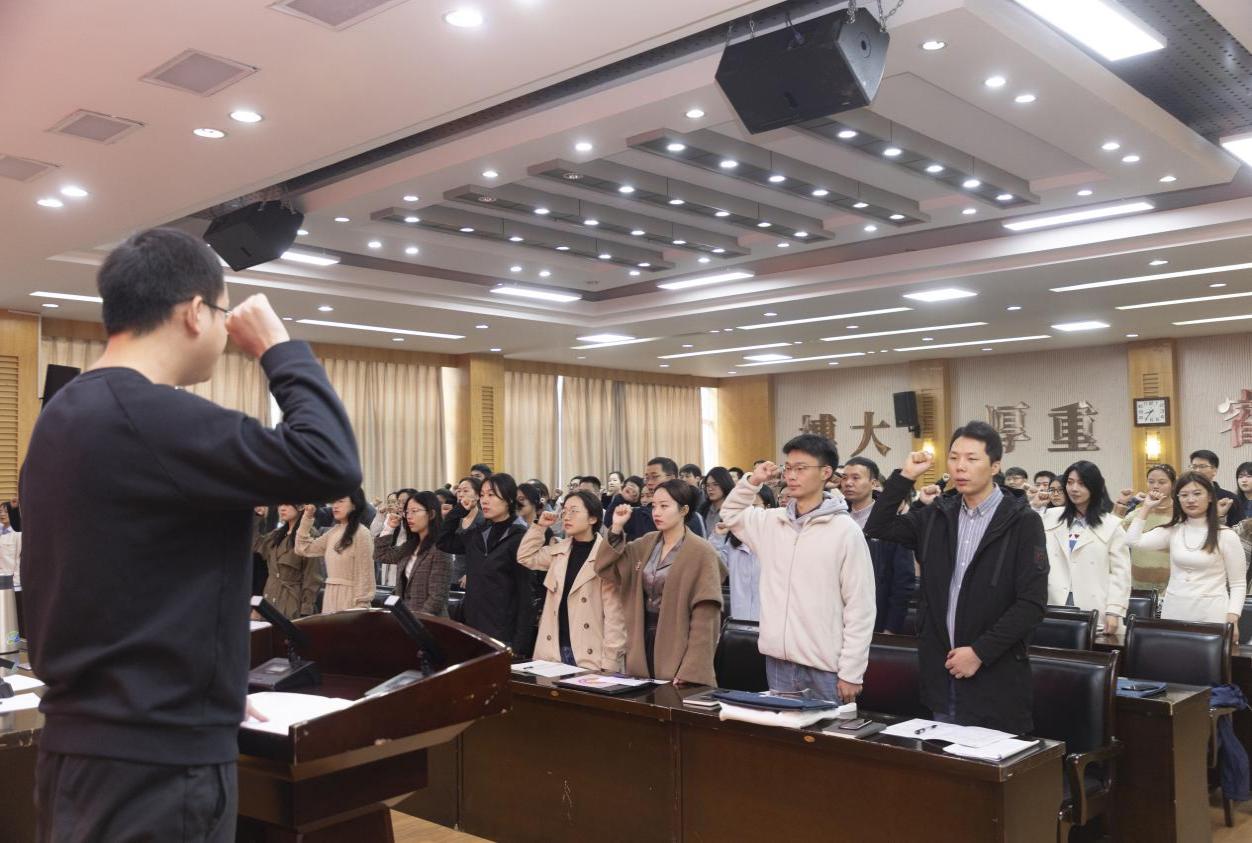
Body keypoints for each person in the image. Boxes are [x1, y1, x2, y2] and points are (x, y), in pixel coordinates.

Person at [19, 227, 360, 842]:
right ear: (196, 312)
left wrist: (209, 685)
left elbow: (121, 583)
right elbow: (330, 460)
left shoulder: (61, 417)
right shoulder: (159, 418)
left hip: (83, 745)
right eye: (222, 314)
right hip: (156, 763)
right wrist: (278, 348)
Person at [864, 421, 1047, 733]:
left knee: (990, 759)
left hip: (995, 675)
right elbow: (878, 526)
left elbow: (1031, 603)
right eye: (954, 458)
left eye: (972, 459)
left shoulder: (1022, 522)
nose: (960, 467)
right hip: (941, 671)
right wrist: (906, 476)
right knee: (945, 757)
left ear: (995, 466)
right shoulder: (937, 515)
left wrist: (979, 653)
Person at [721, 435, 876, 702]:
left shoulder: (845, 530)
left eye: (801, 468)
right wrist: (753, 481)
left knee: (829, 730)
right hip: (778, 661)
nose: (791, 475)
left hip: (825, 667)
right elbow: (731, 513)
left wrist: (852, 672)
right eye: (788, 468)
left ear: (826, 472)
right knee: (782, 728)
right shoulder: (771, 522)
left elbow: (860, 607)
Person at [596, 480, 722, 685]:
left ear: (684, 510)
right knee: (641, 698)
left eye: (664, 506)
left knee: (673, 700)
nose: (656, 512)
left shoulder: (702, 551)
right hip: (641, 639)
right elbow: (606, 568)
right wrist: (617, 527)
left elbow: (706, 618)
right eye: (654, 506)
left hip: (678, 640)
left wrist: (692, 668)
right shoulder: (646, 543)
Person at [1125, 472, 1246, 634]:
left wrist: (1233, 617)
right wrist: (1146, 507)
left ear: (1210, 497)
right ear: (1178, 499)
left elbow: (1238, 583)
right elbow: (1132, 541)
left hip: (1212, 613)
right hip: (1174, 611)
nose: (1190, 500)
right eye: (1184, 495)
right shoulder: (1173, 530)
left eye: (1197, 494)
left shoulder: (1226, 535)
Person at [517, 491, 625, 670]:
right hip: (553, 649)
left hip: (589, 652)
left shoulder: (605, 556)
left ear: (592, 518)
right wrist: (540, 527)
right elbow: (525, 557)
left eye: (574, 511)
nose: (567, 516)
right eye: (565, 511)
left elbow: (615, 616)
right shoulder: (559, 550)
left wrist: (611, 662)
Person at [438, 473, 535, 650]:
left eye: (491, 495)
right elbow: (443, 542)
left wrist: (520, 645)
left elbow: (525, 595)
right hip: (473, 627)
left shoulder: (520, 537)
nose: (484, 500)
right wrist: (459, 511)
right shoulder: (479, 533)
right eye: (482, 495)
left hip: (503, 633)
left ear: (509, 499)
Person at [1043, 461, 1131, 633]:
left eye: (1081, 483)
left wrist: (1114, 610)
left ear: (1094, 486)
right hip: (1054, 601)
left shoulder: (1111, 525)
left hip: (1095, 605)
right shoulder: (1050, 517)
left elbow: (1120, 574)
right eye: (1070, 482)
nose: (1074, 489)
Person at [841, 457, 915, 635]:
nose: (848, 483)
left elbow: (903, 580)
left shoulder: (890, 524)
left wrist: (891, 627)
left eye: (856, 478)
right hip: (837, 617)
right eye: (844, 477)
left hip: (876, 617)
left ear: (873, 483)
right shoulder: (837, 518)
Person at [375, 491, 452, 617]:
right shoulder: (409, 546)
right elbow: (381, 555)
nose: (409, 516)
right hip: (404, 618)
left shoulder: (440, 548)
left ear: (431, 514)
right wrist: (389, 527)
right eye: (407, 512)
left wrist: (415, 621)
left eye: (414, 511)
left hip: (428, 622)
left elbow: (437, 598)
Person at [297, 490, 374, 612]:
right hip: (330, 597)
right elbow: (303, 548)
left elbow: (365, 574)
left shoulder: (362, 533)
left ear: (354, 505)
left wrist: (361, 607)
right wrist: (307, 517)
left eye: (341, 501)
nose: (335, 506)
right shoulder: (334, 531)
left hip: (350, 600)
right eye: (334, 502)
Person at [710, 484, 777, 622]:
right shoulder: (734, 544)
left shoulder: (778, 543)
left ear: (768, 507)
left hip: (769, 623)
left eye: (754, 506)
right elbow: (712, 569)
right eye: (745, 508)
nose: (749, 513)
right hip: (738, 621)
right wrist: (717, 537)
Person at [254, 503, 322, 618]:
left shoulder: (309, 535)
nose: (282, 508)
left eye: (287, 504)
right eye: (280, 504)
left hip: (291, 602)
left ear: (300, 506)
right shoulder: (277, 534)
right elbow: (255, 545)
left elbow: (312, 576)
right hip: (270, 599)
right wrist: (257, 516)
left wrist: (306, 608)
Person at [1117, 464, 1177, 592]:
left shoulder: (1179, 514)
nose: (1155, 486)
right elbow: (1114, 532)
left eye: (1162, 482)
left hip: (1169, 588)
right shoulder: (1140, 512)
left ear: (1172, 485)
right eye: (1151, 482)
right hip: (1137, 586)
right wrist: (1121, 504)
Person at [621, 457, 706, 541]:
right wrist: (623, 498)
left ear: (672, 478)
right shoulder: (639, 513)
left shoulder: (690, 516)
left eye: (654, 477)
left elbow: (699, 547)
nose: (649, 483)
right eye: (647, 478)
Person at [1189, 450, 1241, 527]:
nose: (1197, 470)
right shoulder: (1186, 497)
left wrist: (1220, 517)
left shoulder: (1230, 498)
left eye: (1202, 466)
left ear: (1214, 470)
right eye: (1194, 467)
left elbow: (1239, 530)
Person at [698, 466, 735, 537]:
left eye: (715, 484)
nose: (710, 489)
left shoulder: (734, 510)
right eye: (707, 485)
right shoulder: (703, 509)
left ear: (725, 483)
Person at [0, 500, 21, 584]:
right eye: (0, 511)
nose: (2, 514)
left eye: (6, 512)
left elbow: (19, 560)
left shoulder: (18, 534)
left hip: (9, 579)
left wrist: (15, 582)